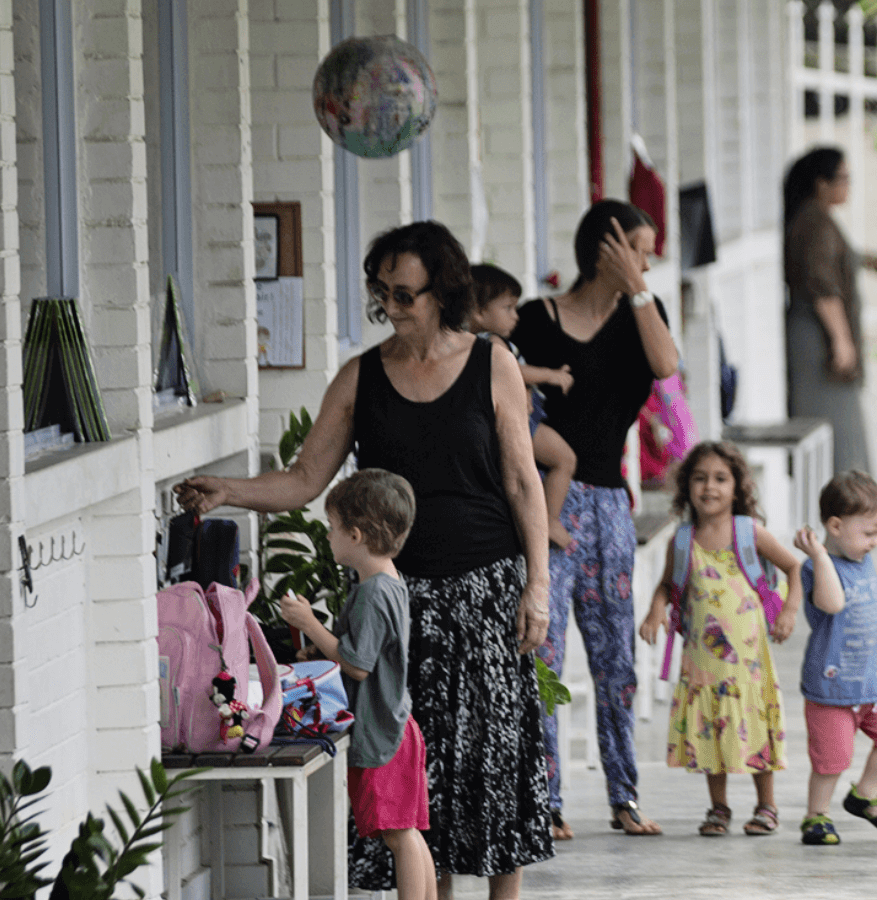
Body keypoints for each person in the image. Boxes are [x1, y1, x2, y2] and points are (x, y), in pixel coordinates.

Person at [174, 220, 553, 899]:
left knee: (492, 756)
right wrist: (226, 488)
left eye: (405, 294)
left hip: (487, 588)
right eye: (383, 294)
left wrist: (539, 586)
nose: (393, 308)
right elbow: (305, 479)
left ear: (442, 292)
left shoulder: (492, 362)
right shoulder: (361, 377)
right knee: (413, 766)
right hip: (396, 598)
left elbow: (524, 480)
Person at [511, 200, 677, 839]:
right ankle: (545, 801)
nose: (648, 260)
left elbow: (665, 370)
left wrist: (637, 292)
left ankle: (624, 795)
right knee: (544, 656)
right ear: (604, 247)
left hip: (608, 502)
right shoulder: (536, 319)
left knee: (615, 661)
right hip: (542, 503)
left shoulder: (644, 315)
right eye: (639, 247)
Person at [276, 469, 433, 900]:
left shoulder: (372, 593)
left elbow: (358, 665)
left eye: (332, 528)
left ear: (357, 535)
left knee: (399, 836)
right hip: (398, 727)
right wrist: (320, 648)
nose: (328, 537)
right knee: (408, 831)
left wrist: (310, 623)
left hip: (382, 734)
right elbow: (364, 651)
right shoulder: (387, 581)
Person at [639, 441, 802, 837]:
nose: (708, 487)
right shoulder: (682, 541)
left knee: (755, 725)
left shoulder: (748, 532)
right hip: (704, 665)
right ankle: (719, 808)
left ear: (737, 487)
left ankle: (767, 806)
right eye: (699, 478)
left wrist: (789, 611)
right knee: (711, 730)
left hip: (748, 664)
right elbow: (666, 587)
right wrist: (655, 610)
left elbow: (794, 567)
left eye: (720, 479)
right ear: (686, 487)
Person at [792, 471, 877, 847]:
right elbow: (833, 602)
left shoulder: (862, 559)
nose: (874, 542)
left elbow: (876, 594)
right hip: (833, 686)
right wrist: (817, 553)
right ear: (835, 526)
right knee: (831, 760)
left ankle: (865, 795)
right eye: (868, 533)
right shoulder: (816, 566)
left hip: (872, 683)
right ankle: (817, 816)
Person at [469, 263, 579, 551]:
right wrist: (550, 375)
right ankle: (548, 521)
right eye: (507, 308)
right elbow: (514, 372)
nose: (515, 316)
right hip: (521, 425)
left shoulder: (483, 344)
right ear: (478, 312)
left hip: (517, 422)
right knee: (564, 460)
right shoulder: (490, 343)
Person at [784, 146, 871, 474]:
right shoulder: (814, 221)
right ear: (821, 183)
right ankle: (850, 502)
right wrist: (841, 339)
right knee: (834, 424)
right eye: (843, 179)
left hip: (817, 333)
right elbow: (822, 286)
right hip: (817, 338)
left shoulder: (814, 217)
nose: (848, 186)